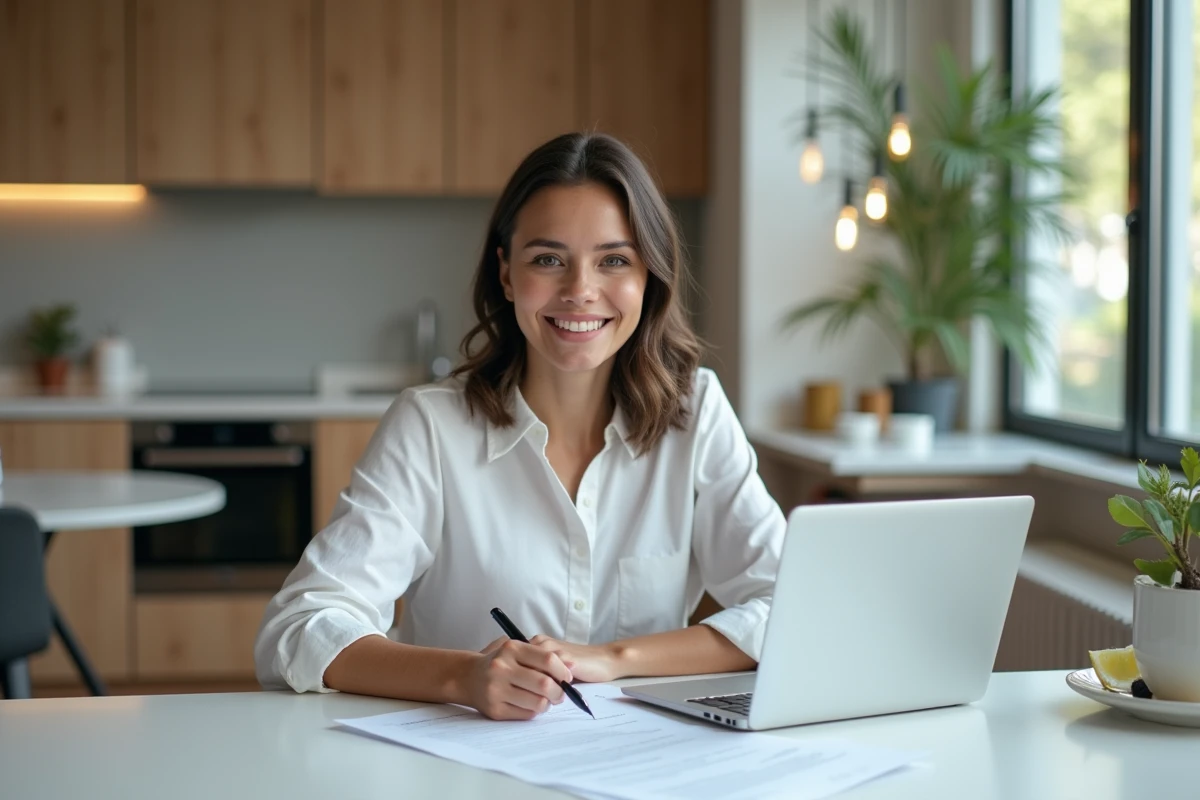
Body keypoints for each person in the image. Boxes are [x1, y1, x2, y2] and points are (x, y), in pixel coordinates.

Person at [254, 132, 786, 720]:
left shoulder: (697, 412)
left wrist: (613, 657)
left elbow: (794, 605)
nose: (580, 291)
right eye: (548, 259)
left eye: (614, 259)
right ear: (506, 274)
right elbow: (300, 627)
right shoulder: (431, 426)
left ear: (649, 276)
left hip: (639, 766)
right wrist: (464, 676)